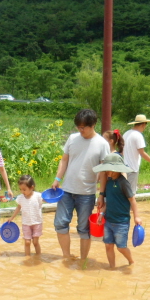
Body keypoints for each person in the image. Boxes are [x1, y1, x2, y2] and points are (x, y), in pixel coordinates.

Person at [52, 109, 110, 260]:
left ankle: (83, 261)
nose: (81, 130)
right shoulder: (72, 138)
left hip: (87, 193)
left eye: (84, 127)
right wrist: (57, 179)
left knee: (84, 229)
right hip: (66, 190)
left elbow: (104, 172)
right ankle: (66, 256)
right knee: (60, 224)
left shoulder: (102, 144)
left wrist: (102, 195)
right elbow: (64, 160)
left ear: (93, 125)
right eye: (79, 127)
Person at [93, 153, 141, 269]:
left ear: (117, 169)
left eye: (109, 169)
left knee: (121, 247)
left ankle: (131, 262)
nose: (107, 172)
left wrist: (136, 216)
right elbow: (108, 201)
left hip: (121, 222)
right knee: (108, 245)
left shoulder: (123, 183)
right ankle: (112, 268)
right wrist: (102, 214)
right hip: (109, 220)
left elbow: (132, 200)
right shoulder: (109, 183)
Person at [122, 114, 150, 194]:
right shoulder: (138, 135)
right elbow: (142, 153)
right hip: (132, 168)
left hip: (124, 167)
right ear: (143, 124)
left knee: (123, 192)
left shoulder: (126, 134)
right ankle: (131, 207)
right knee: (131, 194)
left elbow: (122, 151)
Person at [7, 175, 43, 256]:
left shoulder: (38, 196)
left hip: (37, 223)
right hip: (26, 223)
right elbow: (18, 207)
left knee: (35, 242)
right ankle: (27, 258)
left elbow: (48, 199)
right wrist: (12, 217)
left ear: (31, 187)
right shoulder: (20, 198)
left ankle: (38, 257)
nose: (22, 191)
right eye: (20, 189)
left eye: (24, 189)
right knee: (27, 242)